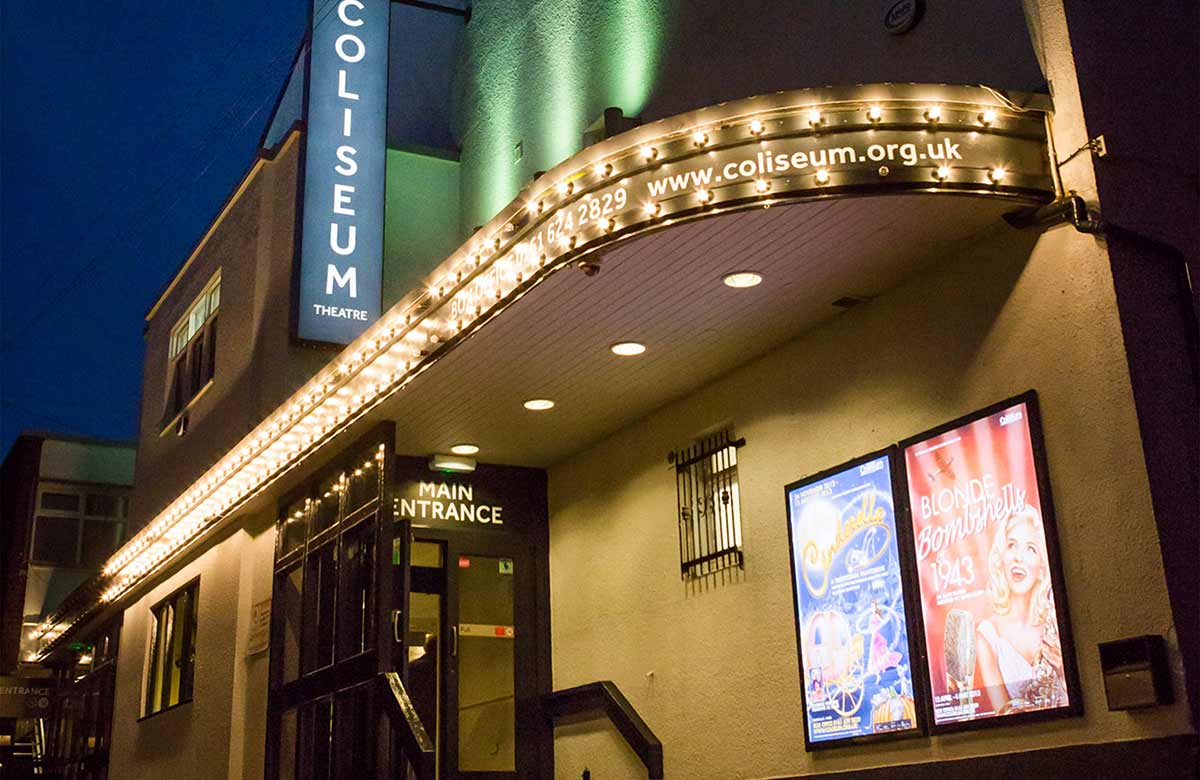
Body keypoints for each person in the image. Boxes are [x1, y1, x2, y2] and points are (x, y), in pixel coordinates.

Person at [975, 505, 1065, 714]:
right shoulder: (988, 636)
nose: (1018, 557)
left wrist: (1063, 669)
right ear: (1001, 558)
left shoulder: (1054, 622)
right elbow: (1003, 717)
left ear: (1042, 567)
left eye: (1031, 549)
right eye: (1011, 545)